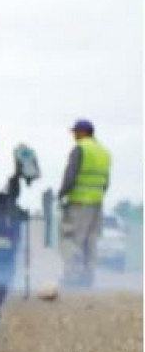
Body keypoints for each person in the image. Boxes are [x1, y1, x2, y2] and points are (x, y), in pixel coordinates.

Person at [58, 119, 112, 287]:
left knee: (71, 239)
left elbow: (71, 175)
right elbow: (105, 181)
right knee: (90, 241)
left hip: (79, 202)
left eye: (75, 131)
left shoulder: (81, 149)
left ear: (83, 132)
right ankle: (87, 278)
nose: (74, 135)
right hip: (96, 204)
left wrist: (62, 193)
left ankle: (73, 277)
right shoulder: (104, 152)